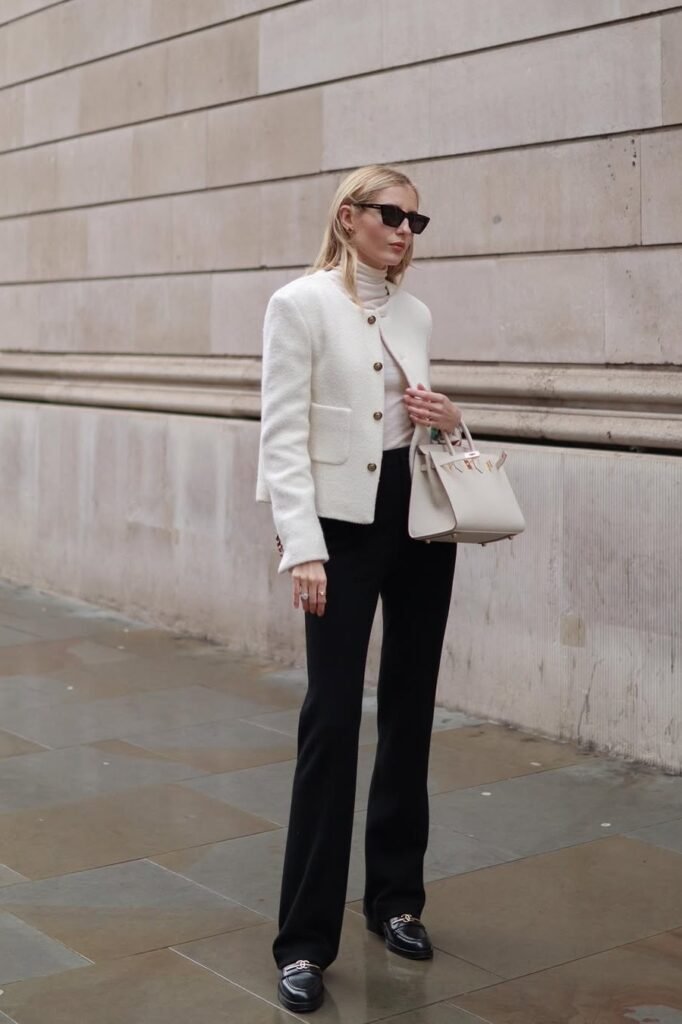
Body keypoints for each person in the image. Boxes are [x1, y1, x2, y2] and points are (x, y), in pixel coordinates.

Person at [255, 164, 462, 1014]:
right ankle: (303, 942)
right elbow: (282, 432)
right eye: (391, 215)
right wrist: (301, 548)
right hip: (338, 535)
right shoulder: (298, 304)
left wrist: (450, 417)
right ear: (349, 217)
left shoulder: (413, 312)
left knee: (411, 710)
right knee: (331, 721)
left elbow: (411, 421)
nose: (405, 231)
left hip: (416, 522)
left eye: (417, 221)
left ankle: (396, 900)